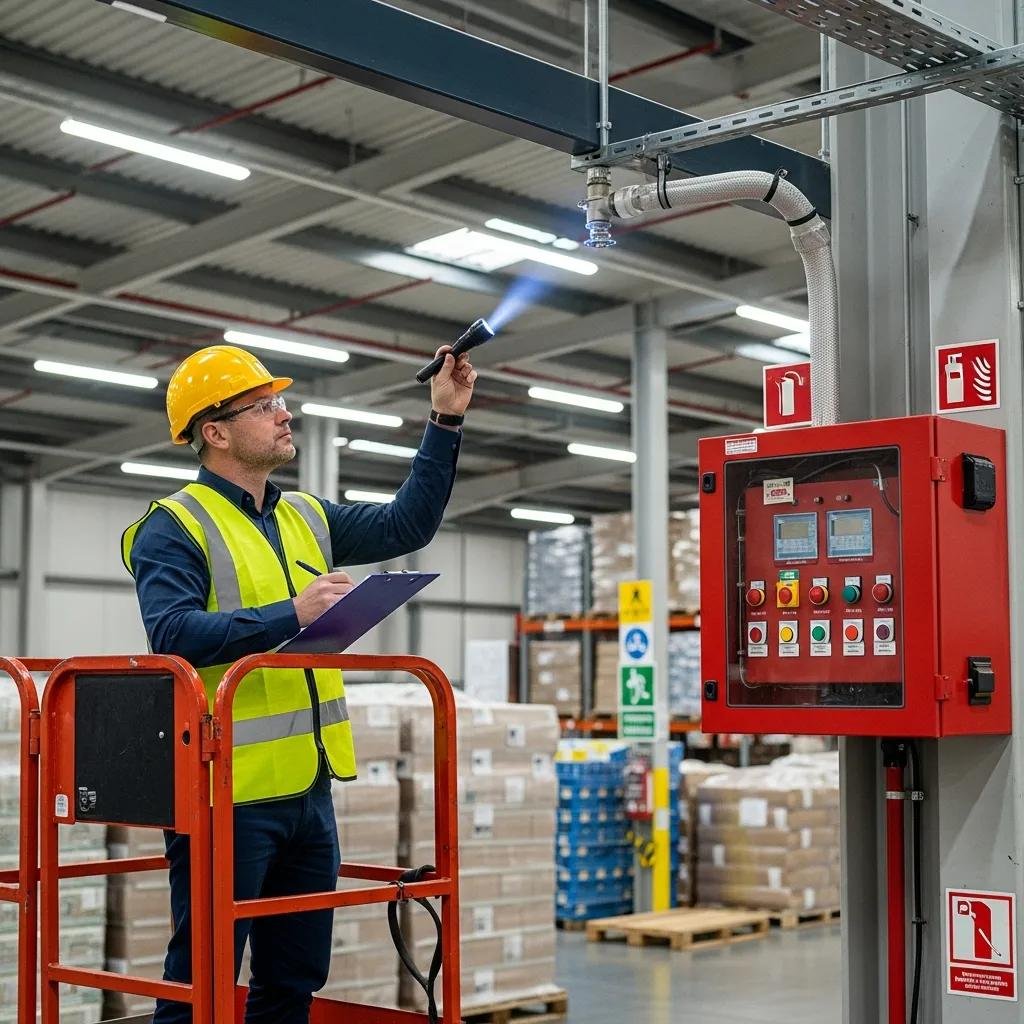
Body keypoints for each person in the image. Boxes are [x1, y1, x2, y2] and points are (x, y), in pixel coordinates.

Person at [121, 342, 476, 1023]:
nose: (285, 414)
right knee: (203, 975)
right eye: (264, 406)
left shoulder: (307, 516)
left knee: (294, 977)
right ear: (215, 432)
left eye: (280, 401)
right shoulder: (172, 526)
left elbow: (409, 522)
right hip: (225, 793)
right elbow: (172, 632)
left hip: (310, 789)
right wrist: (294, 613)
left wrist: (445, 419)